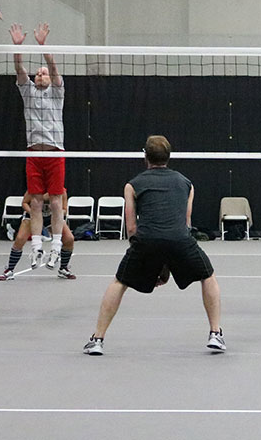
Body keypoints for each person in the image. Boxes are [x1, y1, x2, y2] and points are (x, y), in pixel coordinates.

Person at [83, 136, 224, 355]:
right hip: (180, 239)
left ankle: (97, 339)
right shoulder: (187, 183)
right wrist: (167, 262)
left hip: (146, 240)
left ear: (145, 157)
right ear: (169, 157)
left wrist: (149, 260)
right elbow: (185, 223)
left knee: (120, 282)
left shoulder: (132, 185)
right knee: (208, 277)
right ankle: (216, 333)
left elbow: (131, 228)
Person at [10, 23, 74, 278]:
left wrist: (42, 45)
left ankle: (56, 246)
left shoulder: (57, 92)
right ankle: (36, 247)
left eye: (43, 73)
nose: (40, 75)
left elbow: (55, 67)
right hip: (34, 153)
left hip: (55, 152)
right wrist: (17, 47)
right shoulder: (27, 92)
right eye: (38, 73)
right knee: (36, 201)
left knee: (56, 201)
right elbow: (18, 68)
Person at [0, 192, 68, 281]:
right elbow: (24, 203)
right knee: (20, 239)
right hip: (32, 216)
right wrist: (34, 212)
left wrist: (57, 210)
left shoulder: (60, 190)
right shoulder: (36, 187)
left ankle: (63, 268)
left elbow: (65, 209)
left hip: (52, 217)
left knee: (69, 239)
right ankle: (10, 270)